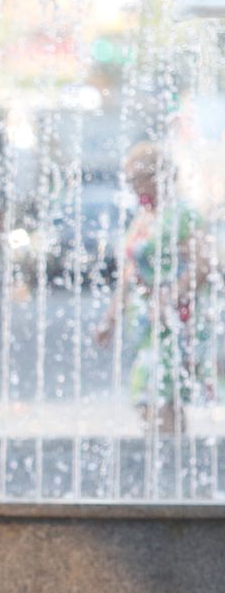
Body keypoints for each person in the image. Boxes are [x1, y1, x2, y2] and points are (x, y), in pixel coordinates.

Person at [93, 142, 212, 434]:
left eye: (136, 179)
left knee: (153, 393)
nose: (132, 187)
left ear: (157, 176)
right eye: (129, 180)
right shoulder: (144, 217)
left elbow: (204, 264)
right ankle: (168, 462)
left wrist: (171, 297)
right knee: (160, 398)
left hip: (174, 321)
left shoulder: (183, 213)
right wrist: (109, 319)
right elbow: (129, 273)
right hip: (146, 322)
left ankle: (167, 461)